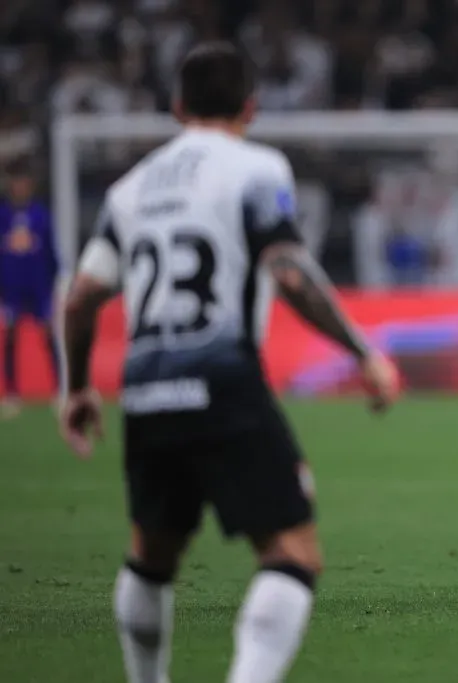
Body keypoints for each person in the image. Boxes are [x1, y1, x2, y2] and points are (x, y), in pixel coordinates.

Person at [59, 42, 399, 683]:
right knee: (292, 553)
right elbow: (290, 273)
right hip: (223, 379)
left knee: (151, 556)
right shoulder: (256, 168)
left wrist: (76, 387)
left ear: (176, 106)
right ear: (252, 106)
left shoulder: (129, 189)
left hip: (146, 385)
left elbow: (79, 302)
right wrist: (363, 353)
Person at [0, 160, 62, 417]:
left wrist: (54, 285)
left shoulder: (41, 216)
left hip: (39, 289)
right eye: (17, 183)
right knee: (11, 338)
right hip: (12, 289)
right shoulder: (3, 217)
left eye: (24, 182)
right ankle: (12, 394)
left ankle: (60, 390)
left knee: (48, 337)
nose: (21, 187)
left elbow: (51, 254)